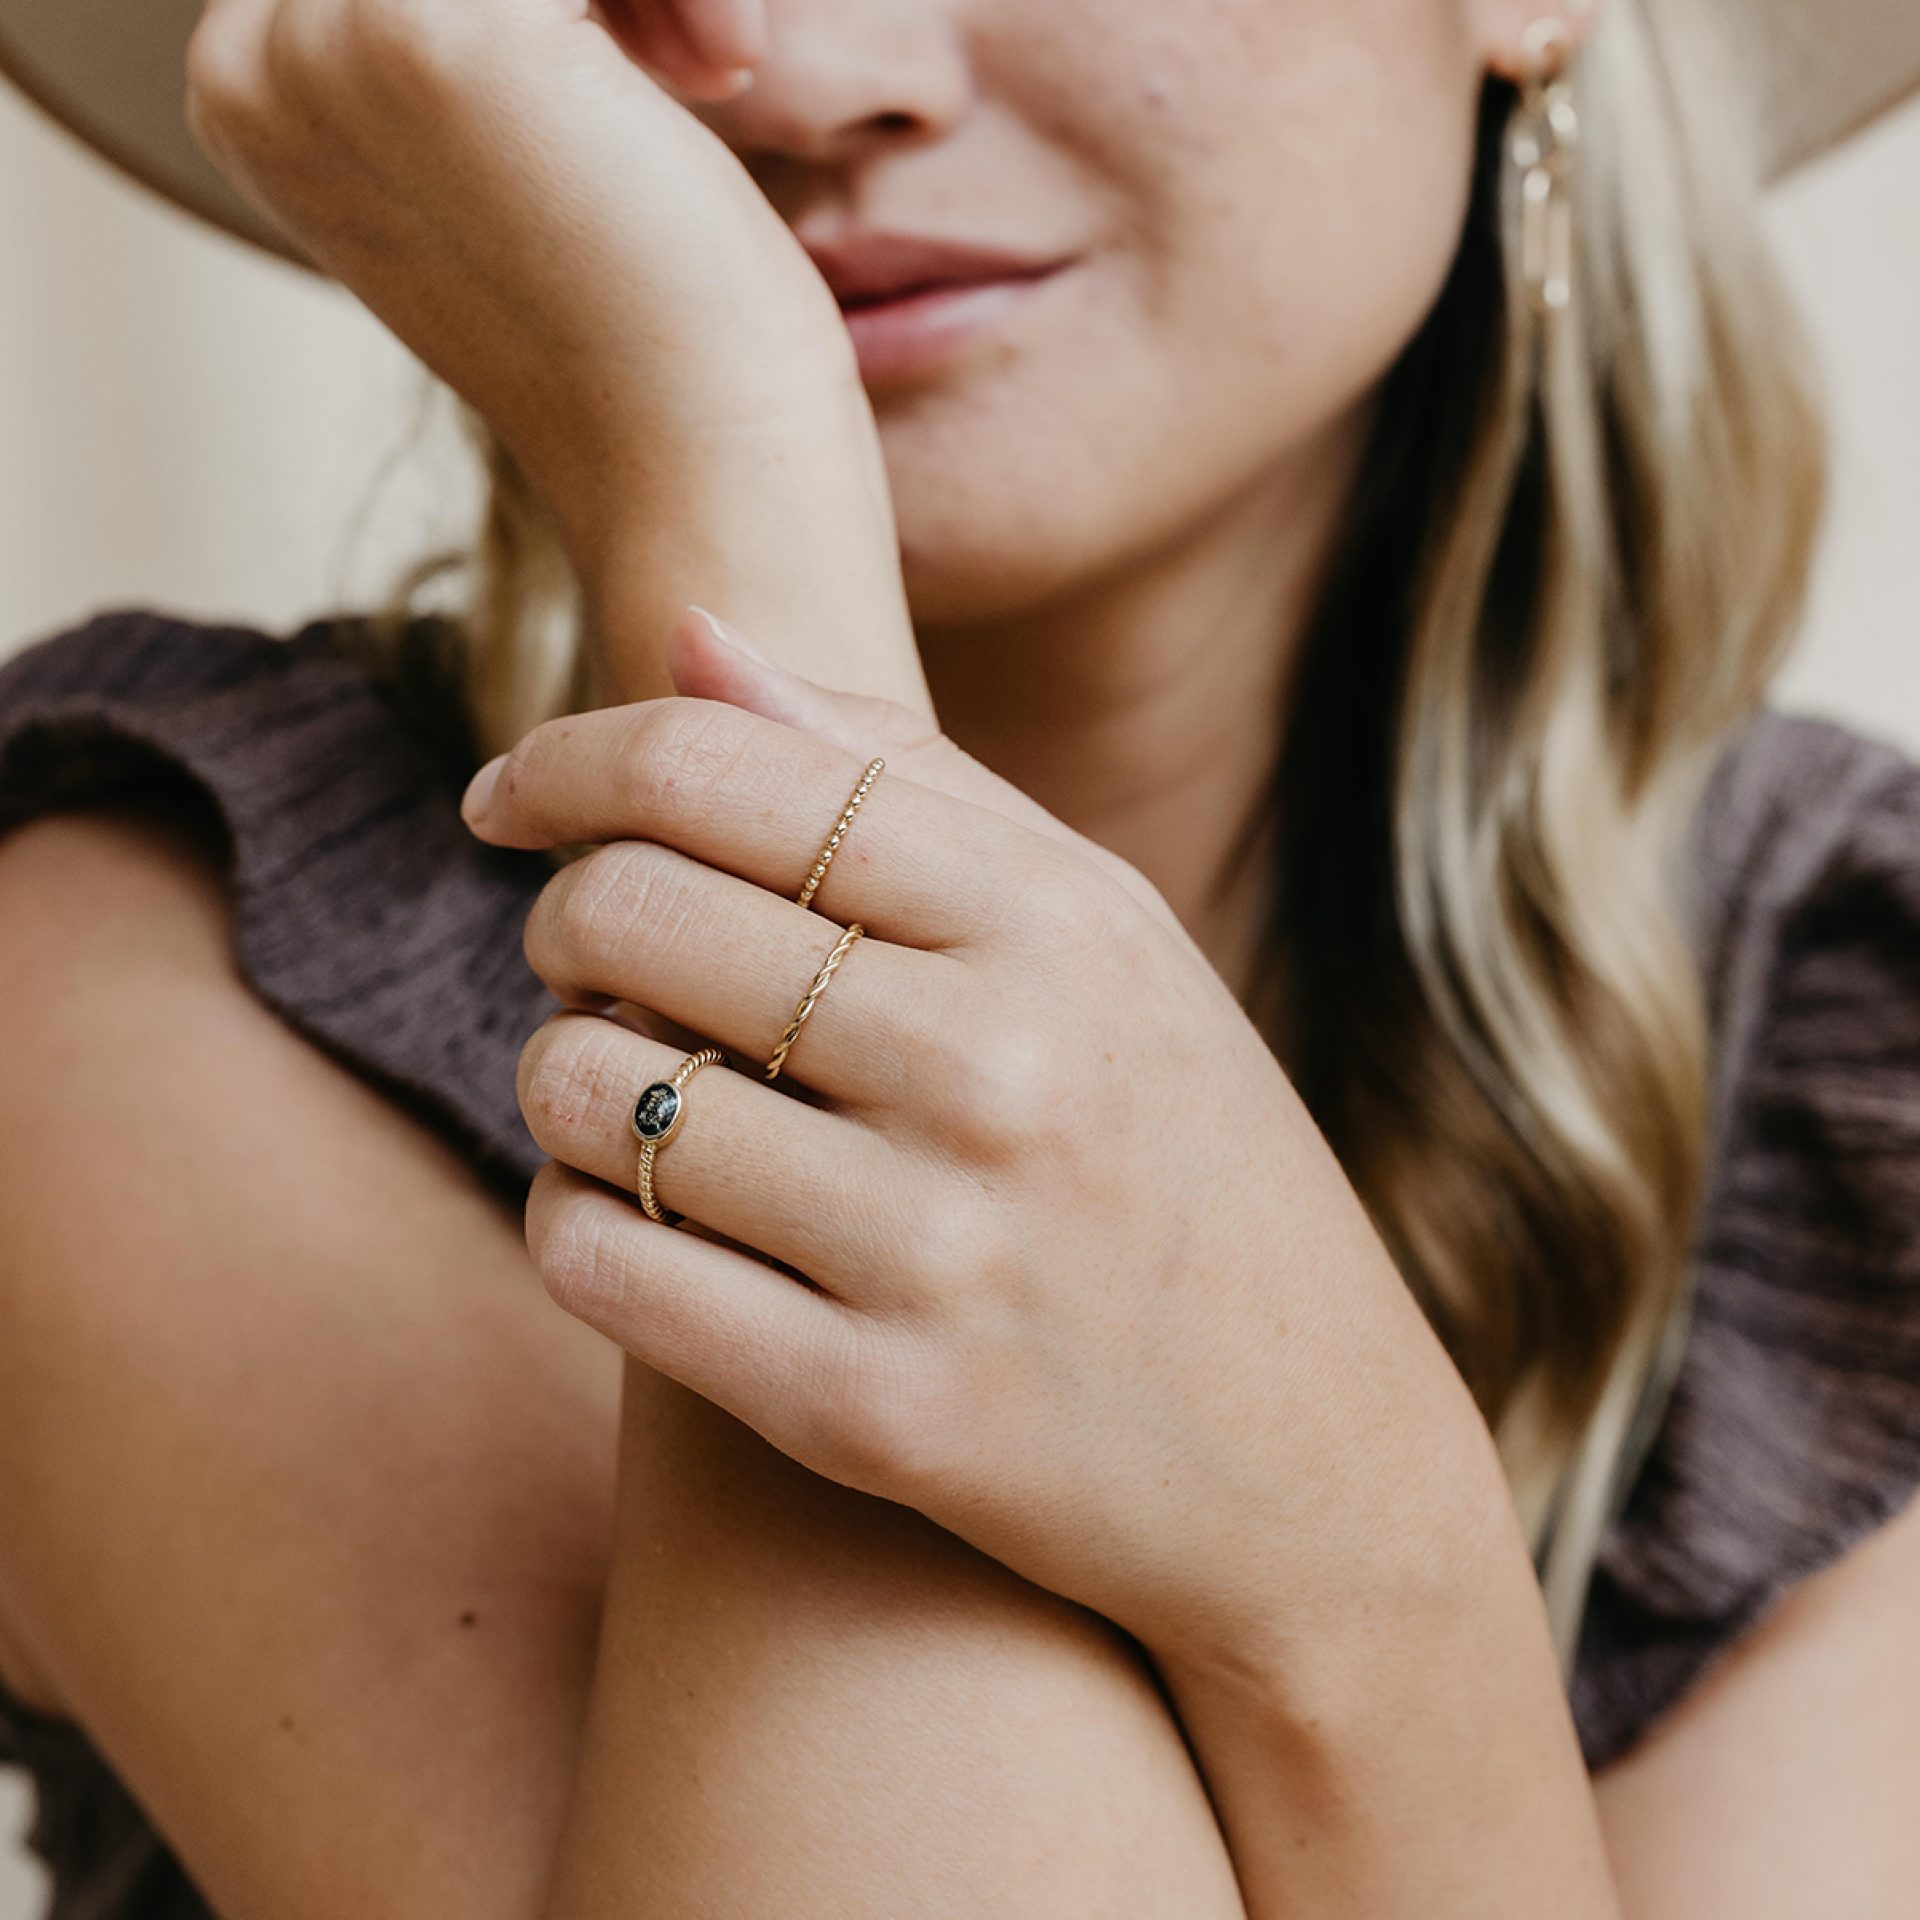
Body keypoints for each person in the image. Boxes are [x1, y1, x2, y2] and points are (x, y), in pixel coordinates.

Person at [0, 0, 1916, 1912]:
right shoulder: (118, 973)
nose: (831, 73)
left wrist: (1369, 1575)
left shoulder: (1872, 1074)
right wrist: (724, 433)